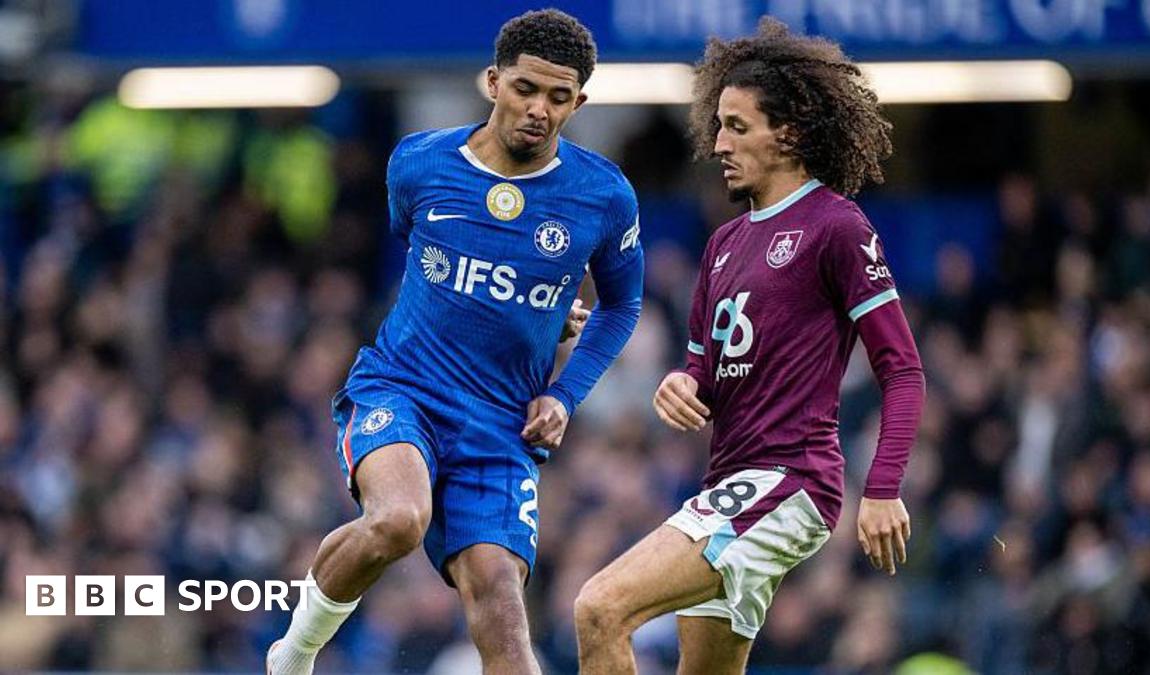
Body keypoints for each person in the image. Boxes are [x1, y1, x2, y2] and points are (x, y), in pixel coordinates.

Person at [267, 9, 644, 674]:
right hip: (403, 390)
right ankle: (292, 656)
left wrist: (563, 392)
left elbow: (621, 304)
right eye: (526, 89)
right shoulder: (419, 163)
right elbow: (417, 252)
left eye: (559, 98)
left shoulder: (603, 196)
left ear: (579, 102)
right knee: (399, 519)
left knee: (501, 608)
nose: (539, 109)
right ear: (493, 81)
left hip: (503, 426)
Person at [574, 18, 924, 674]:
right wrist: (680, 385)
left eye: (737, 125)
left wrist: (883, 486)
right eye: (718, 124)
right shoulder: (723, 244)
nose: (718, 143)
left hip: (788, 480)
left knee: (599, 606)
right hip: (731, 480)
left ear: (788, 132)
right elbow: (704, 374)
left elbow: (902, 367)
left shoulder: (836, 226)